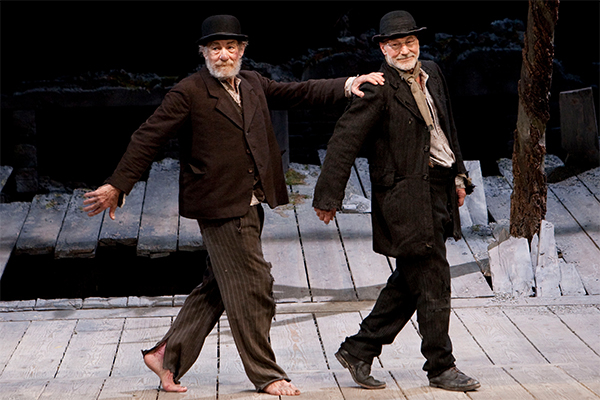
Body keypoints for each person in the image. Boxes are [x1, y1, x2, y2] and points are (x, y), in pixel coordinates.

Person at [82, 14, 384, 396]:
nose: (223, 55)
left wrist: (348, 84)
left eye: (230, 47)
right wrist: (117, 184)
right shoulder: (189, 91)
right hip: (219, 205)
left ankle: (166, 355)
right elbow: (148, 137)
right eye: (215, 48)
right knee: (254, 285)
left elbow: (298, 92)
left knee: (219, 286)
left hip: (250, 202)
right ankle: (266, 374)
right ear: (204, 53)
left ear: (242, 50)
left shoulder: (253, 83)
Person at [312, 10, 480, 392]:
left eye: (410, 42)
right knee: (434, 277)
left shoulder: (432, 72)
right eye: (395, 44)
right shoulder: (378, 88)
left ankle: (359, 349)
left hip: (438, 185)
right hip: (405, 196)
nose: (404, 50)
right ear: (383, 48)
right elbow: (344, 141)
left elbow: (446, 127)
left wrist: (459, 174)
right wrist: (328, 196)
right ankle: (441, 366)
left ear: (418, 44)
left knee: (413, 278)